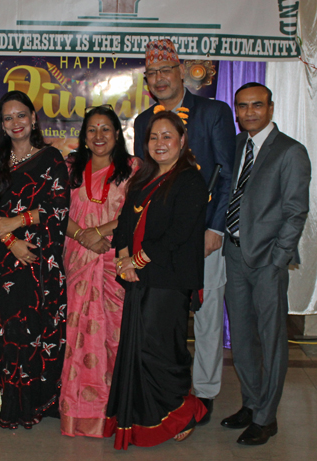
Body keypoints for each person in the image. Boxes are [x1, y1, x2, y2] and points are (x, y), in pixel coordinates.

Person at [134, 39, 236, 423]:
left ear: (181, 72)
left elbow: (227, 172)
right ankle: (167, 384)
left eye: (165, 71)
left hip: (204, 235)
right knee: (164, 312)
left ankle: (206, 392)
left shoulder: (213, 112)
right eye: (152, 75)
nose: (159, 79)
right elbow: (145, 178)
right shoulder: (146, 121)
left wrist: (215, 228)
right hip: (162, 238)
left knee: (207, 314)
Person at [103, 111, 208, 449]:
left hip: (169, 279)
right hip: (138, 277)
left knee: (163, 350)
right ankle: (144, 415)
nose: (160, 143)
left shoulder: (190, 180)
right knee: (139, 349)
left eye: (167, 137)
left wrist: (137, 260)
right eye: (153, 138)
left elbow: (178, 234)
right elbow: (122, 225)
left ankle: (182, 411)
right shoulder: (142, 178)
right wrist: (122, 259)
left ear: (181, 141)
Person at [221, 83, 311, 445]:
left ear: (271, 108)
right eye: (242, 107)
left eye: (257, 106)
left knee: (270, 341)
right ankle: (251, 402)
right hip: (234, 254)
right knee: (241, 338)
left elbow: (295, 212)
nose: (249, 113)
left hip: (267, 262)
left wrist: (277, 260)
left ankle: (267, 417)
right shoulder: (239, 145)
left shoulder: (291, 152)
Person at [0, 90, 69, 429]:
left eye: (21, 115)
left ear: (33, 118)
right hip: (3, 260)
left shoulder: (51, 158)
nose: (15, 122)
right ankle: (15, 405)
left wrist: (19, 220)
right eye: (7, 118)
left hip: (43, 261)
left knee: (44, 329)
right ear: (1, 125)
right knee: (11, 331)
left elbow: (59, 206)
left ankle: (43, 400)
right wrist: (11, 241)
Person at [59, 105, 139, 438]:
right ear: (84, 136)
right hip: (78, 260)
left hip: (114, 263)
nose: (99, 136)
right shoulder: (69, 169)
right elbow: (56, 210)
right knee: (78, 339)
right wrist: (82, 235)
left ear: (117, 134)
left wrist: (101, 232)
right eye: (92, 130)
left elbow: (139, 212)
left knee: (114, 337)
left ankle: (114, 410)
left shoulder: (133, 169)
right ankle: (79, 413)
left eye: (106, 129)